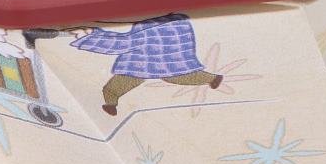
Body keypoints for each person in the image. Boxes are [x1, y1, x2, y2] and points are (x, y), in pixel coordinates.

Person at [72, 13, 222, 115]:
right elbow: (128, 39)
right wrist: (94, 33)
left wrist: (87, 37)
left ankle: (110, 103)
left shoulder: (151, 28)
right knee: (176, 74)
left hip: (152, 60)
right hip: (164, 58)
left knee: (126, 79)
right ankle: (211, 78)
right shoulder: (176, 22)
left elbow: (122, 44)